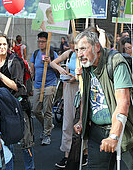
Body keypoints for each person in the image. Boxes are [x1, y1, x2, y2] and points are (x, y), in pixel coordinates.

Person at [73, 31, 133, 169]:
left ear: (97, 47)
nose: (79, 54)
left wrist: (113, 136)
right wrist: (81, 120)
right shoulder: (85, 67)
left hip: (126, 129)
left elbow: (123, 102)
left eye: (83, 48)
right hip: (97, 132)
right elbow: (87, 96)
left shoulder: (115, 61)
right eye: (77, 50)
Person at [0, 33, 35, 169]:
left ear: (9, 46)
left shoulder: (15, 61)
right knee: (6, 141)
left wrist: (0, 75)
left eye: (4, 44)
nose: (2, 47)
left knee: (25, 141)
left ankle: (29, 167)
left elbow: (17, 86)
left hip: (18, 105)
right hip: (2, 106)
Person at [50, 33, 80, 168]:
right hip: (68, 88)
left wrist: (77, 77)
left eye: (75, 43)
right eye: (71, 43)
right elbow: (52, 62)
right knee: (67, 122)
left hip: (81, 89)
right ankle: (67, 155)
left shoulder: (85, 54)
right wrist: (61, 69)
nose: (73, 46)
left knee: (80, 121)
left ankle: (83, 153)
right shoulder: (69, 53)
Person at [30, 31, 58, 145]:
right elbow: (33, 68)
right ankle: (48, 125)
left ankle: (47, 134)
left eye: (43, 41)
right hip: (37, 85)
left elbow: (57, 69)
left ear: (47, 42)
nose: (40, 43)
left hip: (49, 85)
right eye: (39, 41)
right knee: (36, 110)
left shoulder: (52, 53)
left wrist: (50, 62)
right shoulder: (36, 53)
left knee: (47, 111)